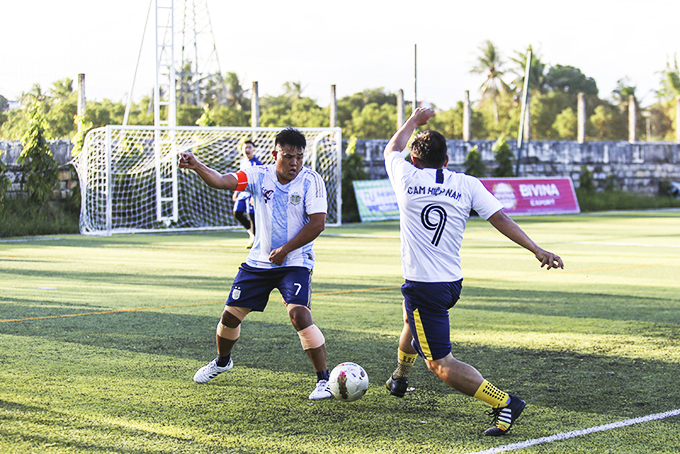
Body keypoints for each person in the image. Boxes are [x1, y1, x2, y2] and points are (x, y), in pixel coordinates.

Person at [383, 108, 564, 436]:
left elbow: (391, 149)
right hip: (451, 283)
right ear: (447, 160)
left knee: (439, 363)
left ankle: (504, 402)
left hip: (425, 286)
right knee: (411, 323)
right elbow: (500, 219)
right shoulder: (467, 184)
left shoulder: (405, 177)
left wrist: (413, 121)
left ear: (414, 160)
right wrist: (537, 249)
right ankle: (399, 378)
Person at [178, 128, 333, 400]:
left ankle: (324, 380)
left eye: (299, 157)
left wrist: (285, 250)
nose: (294, 163)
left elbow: (318, 223)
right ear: (276, 154)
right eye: (288, 157)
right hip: (259, 262)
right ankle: (223, 362)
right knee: (229, 317)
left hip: (295, 260)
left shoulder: (312, 180)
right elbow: (222, 180)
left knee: (299, 315)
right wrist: (197, 165)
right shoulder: (258, 175)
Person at [232, 140, 262, 248]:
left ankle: (255, 240)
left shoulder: (257, 164)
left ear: (254, 150)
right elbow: (240, 178)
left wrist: (255, 196)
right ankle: (252, 234)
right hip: (243, 193)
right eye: (245, 147)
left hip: (251, 194)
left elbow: (259, 181)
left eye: (249, 147)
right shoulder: (243, 162)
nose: (247, 150)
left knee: (252, 216)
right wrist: (236, 191)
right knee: (237, 213)